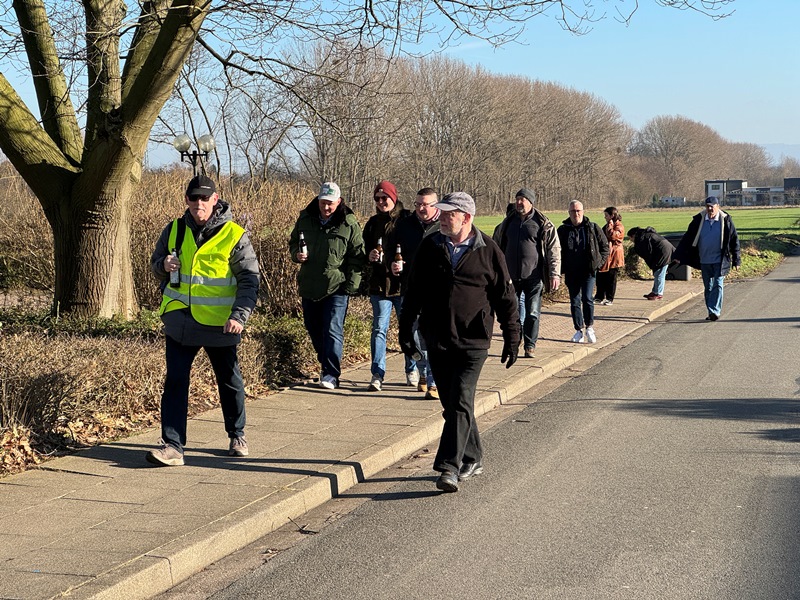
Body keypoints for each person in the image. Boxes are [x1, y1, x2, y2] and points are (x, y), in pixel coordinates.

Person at [399, 192, 520, 493]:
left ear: (466, 217)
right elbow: (413, 291)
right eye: (440, 213)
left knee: (461, 400)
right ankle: (473, 457)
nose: (441, 218)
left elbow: (506, 298)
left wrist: (512, 337)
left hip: (473, 340)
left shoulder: (489, 250)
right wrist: (405, 331)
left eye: (448, 214)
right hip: (437, 338)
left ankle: (448, 467)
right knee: (453, 404)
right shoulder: (430, 246)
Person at [147, 174, 259, 467]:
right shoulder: (173, 230)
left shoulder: (234, 234)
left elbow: (249, 280)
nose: (199, 203)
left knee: (229, 381)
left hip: (220, 323)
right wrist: (163, 265)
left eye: (204, 198)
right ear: (187, 199)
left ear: (215, 199)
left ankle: (237, 435)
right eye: (194, 198)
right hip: (180, 320)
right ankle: (173, 446)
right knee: (175, 381)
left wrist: (239, 315)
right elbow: (155, 265)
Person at [289, 182, 366, 389]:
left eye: (330, 203)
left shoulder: (348, 223)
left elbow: (357, 256)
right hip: (310, 284)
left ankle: (331, 374)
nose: (326, 207)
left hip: (337, 286)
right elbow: (293, 242)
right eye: (323, 202)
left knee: (332, 329)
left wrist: (351, 286)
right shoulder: (306, 218)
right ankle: (326, 364)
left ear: (338, 202)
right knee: (313, 327)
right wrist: (296, 254)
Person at [492, 187, 561, 359]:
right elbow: (495, 247)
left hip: (534, 277)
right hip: (511, 278)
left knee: (532, 313)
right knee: (512, 313)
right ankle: (515, 341)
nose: (518, 203)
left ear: (531, 202)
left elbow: (554, 250)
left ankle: (530, 345)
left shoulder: (543, 223)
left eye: (522, 199)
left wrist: (554, 274)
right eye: (517, 199)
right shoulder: (507, 223)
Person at [389, 187, 441, 399]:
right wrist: (393, 264)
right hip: (410, 289)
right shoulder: (405, 226)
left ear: (435, 205)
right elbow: (392, 252)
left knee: (433, 336)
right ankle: (423, 371)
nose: (420, 208)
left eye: (425, 204)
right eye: (418, 204)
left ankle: (434, 382)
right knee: (412, 335)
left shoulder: (444, 226)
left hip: (437, 291)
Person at [361, 180, 411, 392]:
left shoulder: (407, 220)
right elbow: (363, 250)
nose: (381, 202)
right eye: (378, 198)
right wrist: (370, 255)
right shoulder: (372, 223)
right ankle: (377, 374)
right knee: (379, 330)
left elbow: (415, 248)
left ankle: (411, 369)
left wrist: (405, 262)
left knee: (407, 329)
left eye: (385, 198)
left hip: (403, 285)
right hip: (380, 285)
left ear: (394, 197)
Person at [674, 196, 740, 321]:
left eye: (712, 207)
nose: (710, 209)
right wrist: (678, 255)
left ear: (718, 206)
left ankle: (715, 311)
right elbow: (687, 238)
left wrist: (736, 260)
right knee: (708, 287)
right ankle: (711, 311)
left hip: (720, 260)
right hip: (704, 259)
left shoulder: (726, 220)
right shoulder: (699, 220)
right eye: (708, 206)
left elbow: (734, 240)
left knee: (718, 284)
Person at [557, 200, 609, 344]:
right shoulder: (563, 230)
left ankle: (590, 327)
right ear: (569, 213)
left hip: (588, 271)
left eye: (578, 211)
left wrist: (598, 264)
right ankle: (578, 330)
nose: (576, 214)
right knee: (574, 301)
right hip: (571, 271)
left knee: (587, 298)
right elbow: (556, 251)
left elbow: (605, 247)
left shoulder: (592, 228)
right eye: (573, 211)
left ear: (583, 211)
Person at [627, 226, 674, 300]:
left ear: (633, 235)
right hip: (664, 251)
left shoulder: (643, 239)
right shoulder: (645, 235)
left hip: (663, 253)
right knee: (658, 273)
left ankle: (658, 293)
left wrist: (653, 264)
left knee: (659, 274)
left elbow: (648, 253)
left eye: (630, 238)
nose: (630, 240)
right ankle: (655, 291)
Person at [594, 207, 624, 305]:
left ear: (612, 216)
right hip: (606, 256)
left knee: (611, 278)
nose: (605, 217)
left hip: (614, 256)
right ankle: (599, 296)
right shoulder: (607, 225)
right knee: (601, 276)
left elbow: (613, 236)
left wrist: (610, 226)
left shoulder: (619, 226)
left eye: (606, 215)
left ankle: (609, 298)